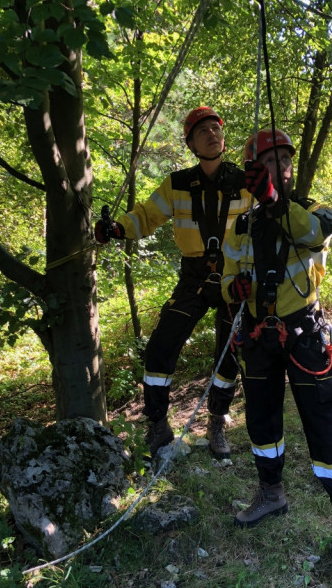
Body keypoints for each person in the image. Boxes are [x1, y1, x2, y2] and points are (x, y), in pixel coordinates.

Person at [221, 128, 332, 566]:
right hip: (258, 336)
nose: (278, 168)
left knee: (322, 424)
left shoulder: (313, 211)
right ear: (252, 168)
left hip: (303, 332)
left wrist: (273, 198)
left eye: (283, 160)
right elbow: (227, 279)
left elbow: (311, 233)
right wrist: (235, 288)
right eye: (267, 162)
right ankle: (271, 492)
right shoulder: (240, 225)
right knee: (262, 421)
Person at [95, 107, 254, 458]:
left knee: (228, 353)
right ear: (191, 143)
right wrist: (118, 228)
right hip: (194, 277)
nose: (212, 134)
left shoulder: (246, 182)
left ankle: (216, 421)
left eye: (216, 129)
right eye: (203, 132)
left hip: (234, 276)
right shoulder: (178, 184)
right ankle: (158, 424)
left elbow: (273, 212)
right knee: (160, 347)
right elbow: (146, 216)